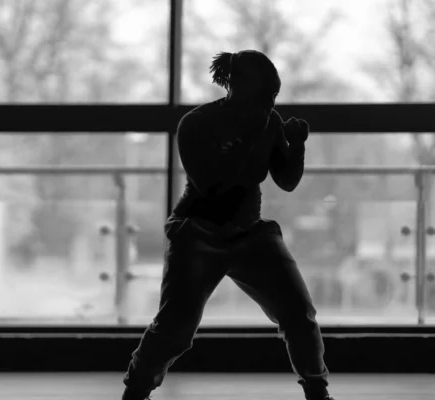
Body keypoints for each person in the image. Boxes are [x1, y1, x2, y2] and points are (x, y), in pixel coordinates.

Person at [121, 50, 335, 400]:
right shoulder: (197, 123)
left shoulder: (269, 121)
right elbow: (212, 184)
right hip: (197, 232)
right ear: (233, 86)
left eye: (272, 97)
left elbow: (287, 180)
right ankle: (136, 390)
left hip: (251, 232)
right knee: (176, 326)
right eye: (262, 95)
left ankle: (317, 388)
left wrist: (295, 147)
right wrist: (251, 138)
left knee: (298, 312)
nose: (268, 104)